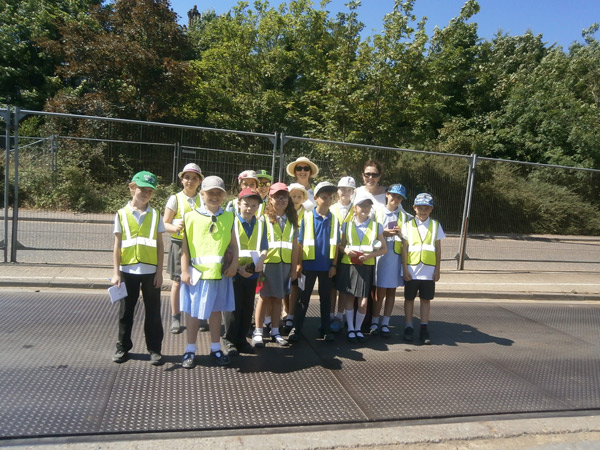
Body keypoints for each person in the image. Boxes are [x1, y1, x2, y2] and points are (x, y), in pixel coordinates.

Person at [180, 176, 238, 367]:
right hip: (197, 275)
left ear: (223, 196)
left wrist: (234, 263)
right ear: (202, 194)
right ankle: (190, 349)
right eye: (210, 192)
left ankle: (215, 348)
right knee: (194, 313)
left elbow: (233, 245)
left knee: (216, 311)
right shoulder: (190, 217)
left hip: (219, 274)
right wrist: (184, 271)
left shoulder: (229, 217)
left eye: (218, 193)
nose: (214, 196)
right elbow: (185, 248)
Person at [111, 171, 165, 366]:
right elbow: (117, 245)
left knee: (153, 312)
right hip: (127, 271)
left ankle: (154, 349)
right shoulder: (121, 213)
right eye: (142, 189)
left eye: (150, 191)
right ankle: (122, 347)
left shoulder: (156, 214)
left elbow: (160, 245)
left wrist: (160, 271)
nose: (146, 193)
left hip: (150, 272)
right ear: (132, 187)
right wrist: (116, 272)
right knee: (126, 311)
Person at [289, 181, 340, 343]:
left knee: (326, 299)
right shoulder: (307, 218)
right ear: (316, 198)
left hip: (326, 267)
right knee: (303, 298)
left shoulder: (335, 220)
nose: (327, 199)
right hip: (308, 266)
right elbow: (300, 243)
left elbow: (337, 244)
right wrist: (299, 264)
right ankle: (296, 329)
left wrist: (334, 265)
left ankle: (325, 329)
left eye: (330, 197)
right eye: (323, 196)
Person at [252, 182, 299, 348]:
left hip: (284, 265)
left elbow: (294, 248)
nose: (281, 200)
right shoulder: (263, 220)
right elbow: (257, 245)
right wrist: (258, 265)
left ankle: (275, 331)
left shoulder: (292, 222)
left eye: (284, 196)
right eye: (277, 196)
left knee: (278, 298)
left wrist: (294, 269)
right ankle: (258, 331)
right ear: (270, 199)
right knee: (264, 298)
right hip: (267, 264)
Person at [223, 188, 268, 356]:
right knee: (232, 308)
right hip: (234, 271)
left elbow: (264, 247)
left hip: (251, 272)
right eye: (246, 204)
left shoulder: (261, 224)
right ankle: (230, 340)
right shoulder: (231, 222)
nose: (249, 208)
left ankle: (241, 340)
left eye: (253, 205)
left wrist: (260, 262)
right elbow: (227, 248)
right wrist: (237, 267)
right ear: (238, 204)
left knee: (247, 307)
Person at [336, 192, 386, 343]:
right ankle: (351, 328)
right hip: (349, 264)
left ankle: (358, 328)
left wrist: (369, 256)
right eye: (362, 205)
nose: (365, 208)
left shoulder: (376, 226)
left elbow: (384, 249)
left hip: (366, 266)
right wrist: (345, 251)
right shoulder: (347, 225)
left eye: (367, 205)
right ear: (355, 208)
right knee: (350, 298)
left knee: (363, 301)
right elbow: (340, 245)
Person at [163, 163, 203, 334]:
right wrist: (175, 225)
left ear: (199, 181)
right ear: (181, 179)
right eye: (187, 177)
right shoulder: (175, 199)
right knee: (178, 282)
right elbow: (164, 224)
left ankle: (200, 316)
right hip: (179, 245)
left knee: (200, 281)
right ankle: (175, 317)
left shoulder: (203, 197)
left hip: (199, 246)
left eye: (194, 178)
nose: (190, 181)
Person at [401, 193, 445, 345]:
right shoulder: (407, 225)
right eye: (420, 208)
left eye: (426, 208)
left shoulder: (435, 225)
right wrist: (405, 269)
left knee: (426, 300)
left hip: (428, 271)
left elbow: (438, 249)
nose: (423, 211)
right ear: (414, 208)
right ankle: (408, 326)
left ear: (431, 209)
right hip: (412, 270)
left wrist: (437, 269)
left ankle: (424, 327)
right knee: (409, 299)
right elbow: (404, 249)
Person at [371, 184, 413, 337]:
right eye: (393, 195)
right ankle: (375, 320)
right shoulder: (377, 212)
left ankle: (385, 322)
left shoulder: (405, 216)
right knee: (379, 292)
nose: (396, 199)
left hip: (395, 258)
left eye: (399, 197)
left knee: (391, 292)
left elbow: (407, 239)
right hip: (380, 257)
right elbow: (370, 233)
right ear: (387, 194)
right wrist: (384, 234)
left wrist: (401, 235)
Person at [282, 182, 310, 333]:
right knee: (285, 286)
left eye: (300, 196)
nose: (296, 198)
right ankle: (285, 310)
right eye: (293, 196)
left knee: (295, 286)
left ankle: (291, 315)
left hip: (301, 254)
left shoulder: (307, 213)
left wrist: (300, 262)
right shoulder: (284, 213)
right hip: (286, 253)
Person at [329, 176, 356, 332]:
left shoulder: (357, 208)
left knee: (344, 287)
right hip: (334, 252)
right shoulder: (332, 208)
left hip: (349, 254)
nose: (346, 192)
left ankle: (340, 315)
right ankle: (330, 315)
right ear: (338, 191)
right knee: (332, 287)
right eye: (343, 189)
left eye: (349, 190)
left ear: (353, 192)